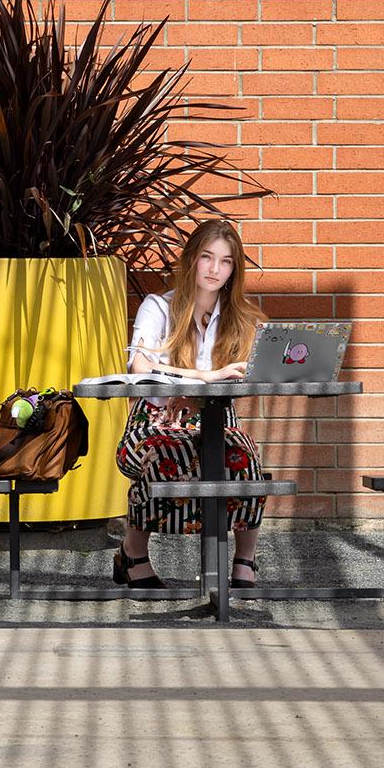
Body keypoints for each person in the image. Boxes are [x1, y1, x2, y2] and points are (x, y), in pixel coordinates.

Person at [113, 218, 270, 589]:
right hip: (156, 418)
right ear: (191, 260)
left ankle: (245, 560)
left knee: (245, 461)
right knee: (168, 456)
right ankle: (133, 553)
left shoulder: (241, 318)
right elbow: (139, 366)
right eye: (207, 257)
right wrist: (204, 377)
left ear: (235, 269)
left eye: (226, 261)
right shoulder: (158, 307)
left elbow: (252, 374)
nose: (215, 269)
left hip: (218, 420)